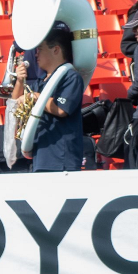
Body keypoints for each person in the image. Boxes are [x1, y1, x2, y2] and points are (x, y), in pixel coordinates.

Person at [26, 24, 86, 171]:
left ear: (56, 50)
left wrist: (34, 97)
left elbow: (61, 109)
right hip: (42, 154)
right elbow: (17, 105)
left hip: (62, 157)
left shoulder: (71, 77)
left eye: (40, 49)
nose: (36, 54)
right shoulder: (40, 82)